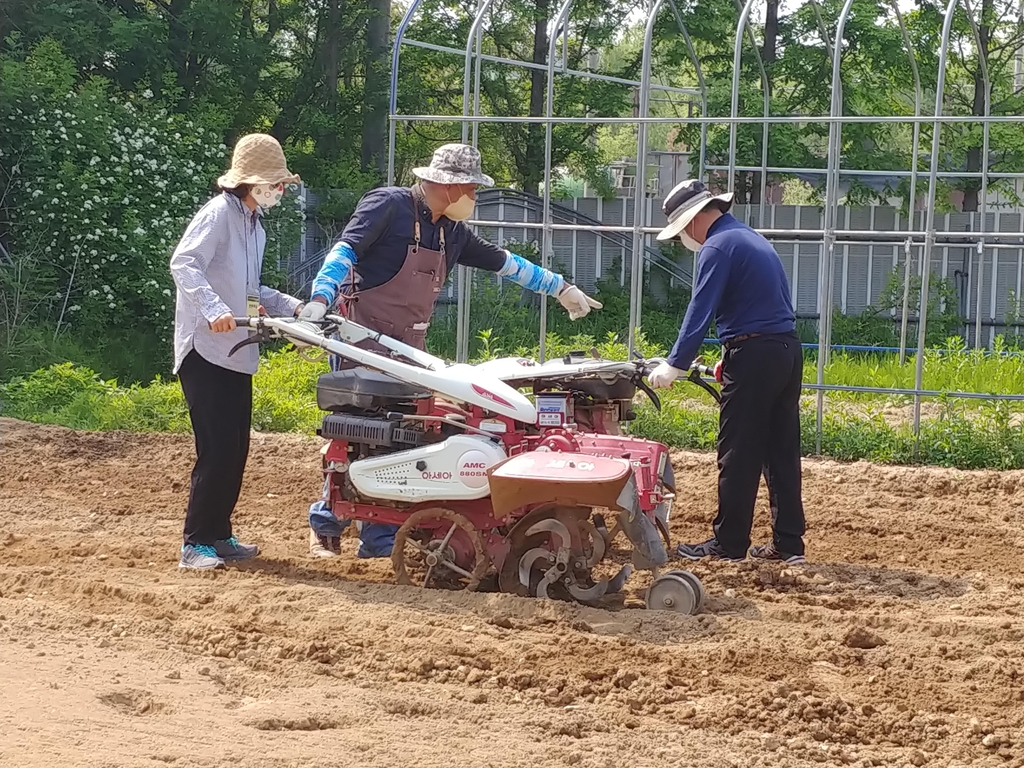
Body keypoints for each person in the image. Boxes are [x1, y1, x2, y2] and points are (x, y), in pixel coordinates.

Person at [297, 143, 603, 559]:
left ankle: (381, 536)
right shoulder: (388, 206)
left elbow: (505, 262)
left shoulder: (451, 232)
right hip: (361, 340)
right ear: (451, 185)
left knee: (405, 436)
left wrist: (560, 287)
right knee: (358, 433)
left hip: (410, 347)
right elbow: (345, 249)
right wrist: (320, 297)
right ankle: (328, 520)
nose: (474, 198)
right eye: (472, 189)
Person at [647, 178, 806, 565]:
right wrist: (733, 350)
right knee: (780, 450)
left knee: (738, 451)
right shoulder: (749, 238)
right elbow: (763, 305)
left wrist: (675, 364)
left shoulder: (717, 246)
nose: (686, 236)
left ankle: (728, 543)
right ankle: (789, 544)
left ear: (696, 217)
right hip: (784, 349)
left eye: (684, 227)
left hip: (755, 354)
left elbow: (700, 309)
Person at [170, 133, 307, 570]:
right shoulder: (218, 215)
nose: (280, 190)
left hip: (235, 349)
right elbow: (184, 263)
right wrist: (212, 309)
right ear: (251, 182)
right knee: (217, 447)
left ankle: (220, 534)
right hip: (206, 349)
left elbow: (251, 290)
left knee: (236, 446)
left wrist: (294, 306)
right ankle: (195, 543)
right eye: (275, 183)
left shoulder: (254, 226)